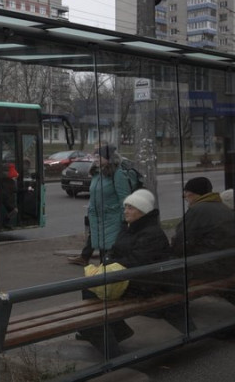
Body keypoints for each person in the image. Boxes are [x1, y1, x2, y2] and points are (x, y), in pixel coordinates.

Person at [77, 189, 174, 356]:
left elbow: (138, 261)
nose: (126, 211)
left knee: (91, 289)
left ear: (142, 211)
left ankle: (106, 343)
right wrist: (106, 264)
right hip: (132, 278)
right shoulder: (129, 228)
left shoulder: (151, 233)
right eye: (126, 207)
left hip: (144, 284)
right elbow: (114, 251)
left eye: (131, 208)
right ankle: (112, 330)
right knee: (92, 286)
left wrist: (110, 266)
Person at [70, 145, 131, 266]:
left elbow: (124, 198)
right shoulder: (97, 174)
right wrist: (91, 211)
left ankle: (111, 279)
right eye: (95, 156)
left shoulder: (117, 174)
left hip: (112, 220)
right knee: (103, 251)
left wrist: (125, 220)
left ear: (109, 158)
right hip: (98, 219)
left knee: (109, 253)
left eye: (99, 156)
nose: (96, 159)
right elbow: (93, 196)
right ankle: (104, 278)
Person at [171, 177, 235, 280]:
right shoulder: (222, 207)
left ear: (192, 194)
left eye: (186, 193)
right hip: (227, 263)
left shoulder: (198, 210)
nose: (185, 197)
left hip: (210, 267)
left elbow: (181, 242)